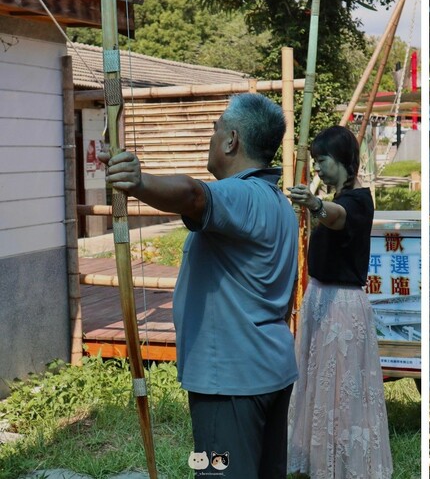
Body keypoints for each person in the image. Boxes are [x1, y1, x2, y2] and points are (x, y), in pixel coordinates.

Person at [100, 93, 298, 478]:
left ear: (232, 141)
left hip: (231, 381)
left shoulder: (241, 194)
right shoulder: (276, 200)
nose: (212, 136)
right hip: (267, 369)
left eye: (216, 128)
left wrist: (139, 182)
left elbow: (193, 195)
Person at [285, 125, 393, 478]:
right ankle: (317, 458)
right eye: (315, 161)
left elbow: (337, 218)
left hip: (343, 306)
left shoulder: (359, 200)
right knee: (317, 383)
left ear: (345, 159)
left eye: (323, 160)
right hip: (319, 298)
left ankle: (344, 463)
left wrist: (315, 204)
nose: (317, 167)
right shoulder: (336, 199)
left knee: (343, 388)